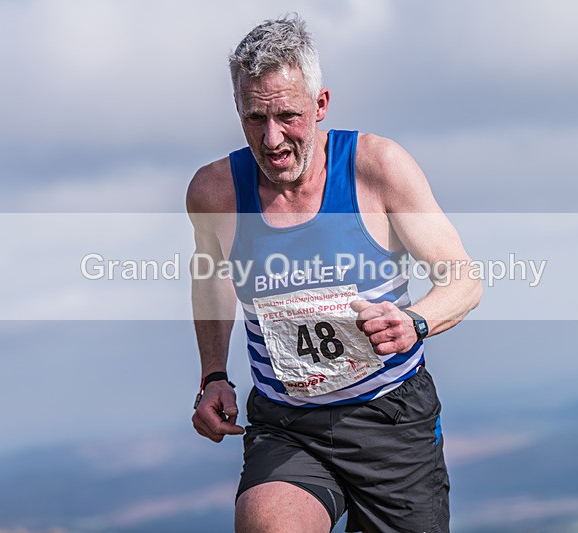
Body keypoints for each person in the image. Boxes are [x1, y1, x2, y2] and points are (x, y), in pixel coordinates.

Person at [186, 14, 481, 533]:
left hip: (389, 419)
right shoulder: (215, 193)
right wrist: (213, 374)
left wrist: (413, 321)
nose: (272, 139)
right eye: (255, 118)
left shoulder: (377, 167)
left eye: (288, 116)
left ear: (321, 104)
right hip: (286, 424)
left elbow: (463, 279)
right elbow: (212, 277)